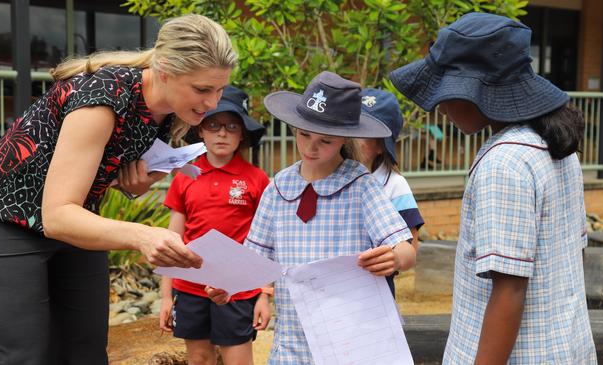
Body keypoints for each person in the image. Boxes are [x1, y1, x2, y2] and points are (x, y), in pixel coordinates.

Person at [0, 14, 236, 365]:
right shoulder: (103, 97)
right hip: (2, 222)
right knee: (22, 355)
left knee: (86, 352)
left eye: (220, 89)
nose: (213, 103)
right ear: (165, 69)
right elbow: (57, 214)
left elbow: (98, 173)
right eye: (202, 89)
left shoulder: (168, 111)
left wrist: (134, 185)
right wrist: (143, 236)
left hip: (75, 224)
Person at [389, 12, 597, 364]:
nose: (439, 108)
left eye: (446, 91)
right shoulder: (554, 146)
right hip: (564, 346)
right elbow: (570, 258)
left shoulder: (504, 164)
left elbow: (510, 289)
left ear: (480, 92)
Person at [208, 71, 416, 364]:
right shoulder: (278, 187)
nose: (310, 147)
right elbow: (255, 261)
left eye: (325, 141)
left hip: (351, 340)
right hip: (293, 340)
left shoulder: (361, 185)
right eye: (304, 134)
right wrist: (227, 283)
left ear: (345, 138)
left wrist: (395, 259)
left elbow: (406, 249)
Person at [159, 86, 271, 365]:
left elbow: (268, 241)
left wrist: (265, 294)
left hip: (239, 288)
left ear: (242, 134)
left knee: (238, 359)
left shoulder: (257, 180)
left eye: (231, 126)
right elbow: (173, 238)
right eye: (213, 125)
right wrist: (165, 295)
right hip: (189, 285)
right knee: (198, 358)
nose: (222, 133)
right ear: (200, 131)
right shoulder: (185, 177)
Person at [357, 88, 424, 297]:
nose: (353, 137)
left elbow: (411, 248)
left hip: (377, 292)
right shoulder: (328, 178)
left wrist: (393, 259)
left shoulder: (395, 185)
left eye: (365, 132)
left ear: (381, 146)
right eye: (351, 127)